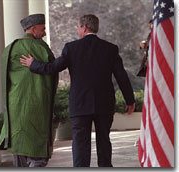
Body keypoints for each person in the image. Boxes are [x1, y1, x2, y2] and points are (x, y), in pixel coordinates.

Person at [20, 14, 135, 167]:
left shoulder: (71, 48)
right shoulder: (110, 49)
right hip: (104, 104)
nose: (78, 30)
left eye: (78, 27)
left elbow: (53, 68)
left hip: (80, 105)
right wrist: (130, 100)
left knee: (81, 146)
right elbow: (122, 76)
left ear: (84, 27)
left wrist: (33, 64)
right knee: (104, 142)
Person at [0, 14, 58, 167]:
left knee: (20, 149)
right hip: (36, 105)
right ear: (32, 28)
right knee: (38, 153)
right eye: (42, 29)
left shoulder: (10, 48)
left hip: (15, 105)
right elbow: (53, 69)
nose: (44, 33)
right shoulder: (40, 47)